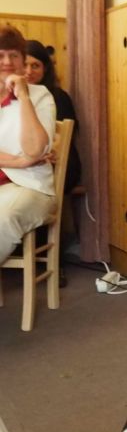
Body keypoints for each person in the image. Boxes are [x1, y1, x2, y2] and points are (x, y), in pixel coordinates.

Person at [0, 26, 57, 266]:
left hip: (30, 185)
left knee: (4, 217)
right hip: (12, 176)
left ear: (22, 61)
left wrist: (23, 96)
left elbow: (35, 150)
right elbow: (28, 157)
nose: (7, 62)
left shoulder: (40, 95)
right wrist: (20, 161)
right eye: (1, 55)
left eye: (13, 55)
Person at [24, 40, 82, 193]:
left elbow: (59, 142)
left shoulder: (58, 97)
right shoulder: (13, 96)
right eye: (24, 65)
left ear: (45, 69)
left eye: (35, 66)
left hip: (60, 164)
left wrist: (45, 154)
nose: (29, 71)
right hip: (28, 161)